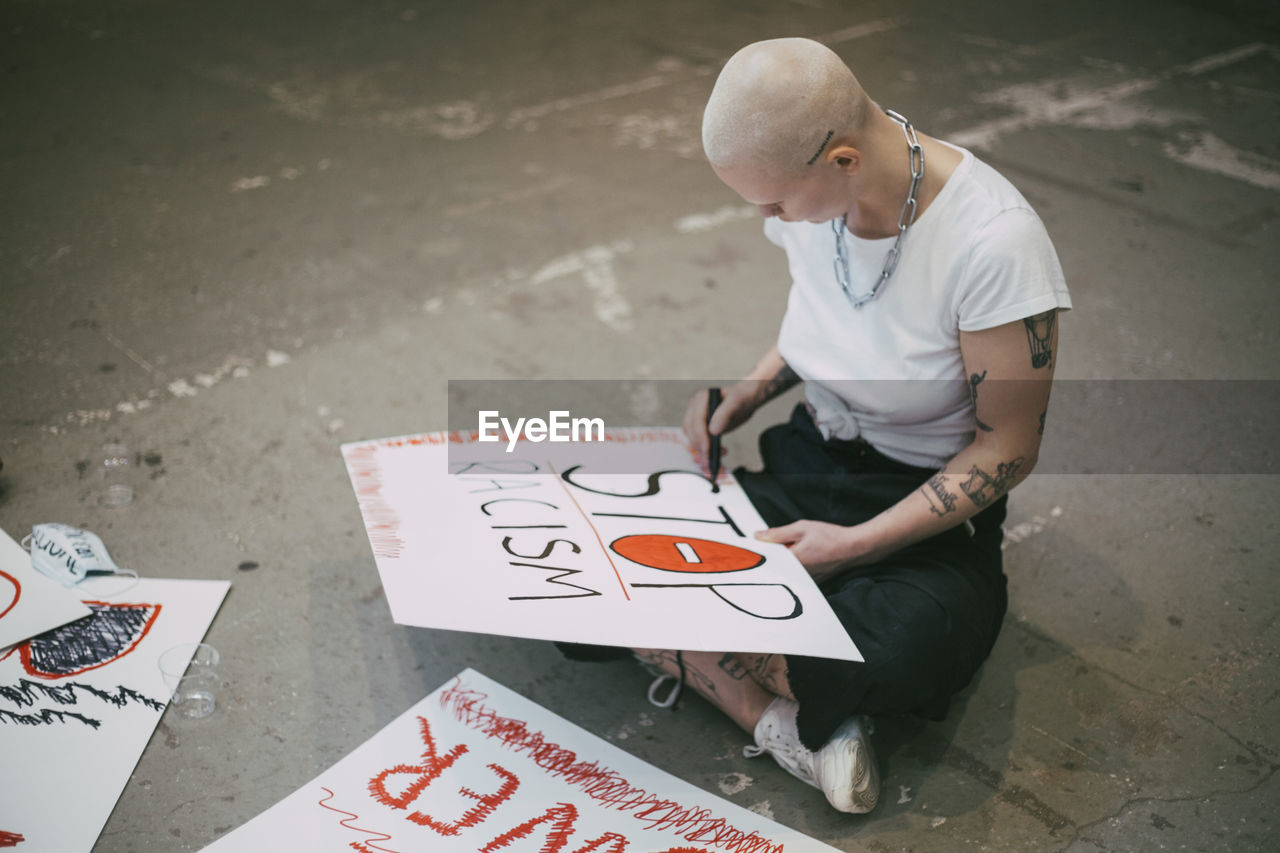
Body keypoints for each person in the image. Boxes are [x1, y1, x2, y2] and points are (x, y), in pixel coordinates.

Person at [632, 37, 1072, 814]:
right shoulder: (814, 192)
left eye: (771, 202)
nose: (765, 218)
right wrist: (745, 392)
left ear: (840, 160)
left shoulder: (993, 245)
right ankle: (785, 721)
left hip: (924, 496)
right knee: (608, 573)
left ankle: (745, 669)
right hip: (810, 454)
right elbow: (827, 314)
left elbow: (1009, 445)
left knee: (901, 647)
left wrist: (855, 546)